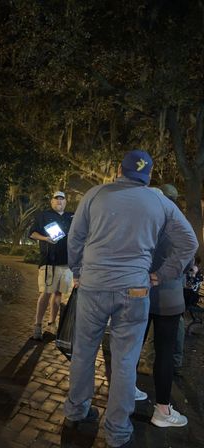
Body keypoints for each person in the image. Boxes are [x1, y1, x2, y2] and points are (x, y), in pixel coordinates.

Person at [63, 150, 198, 448]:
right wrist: (163, 274)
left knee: (84, 352)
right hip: (135, 290)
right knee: (125, 361)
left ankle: (75, 411)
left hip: (94, 285)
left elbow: (74, 238)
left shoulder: (95, 194)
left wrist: (77, 271)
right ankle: (118, 432)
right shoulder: (159, 201)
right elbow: (189, 241)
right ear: (148, 176)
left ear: (119, 170)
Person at [138, 184, 189, 427]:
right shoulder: (176, 224)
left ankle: (127, 393)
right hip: (168, 297)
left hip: (141, 292)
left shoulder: (143, 222)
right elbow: (188, 253)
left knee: (131, 348)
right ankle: (162, 410)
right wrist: (165, 274)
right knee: (165, 353)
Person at [29, 191, 74, 340]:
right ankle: (37, 325)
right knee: (46, 292)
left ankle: (52, 323)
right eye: (56, 199)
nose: (59, 202)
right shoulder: (43, 216)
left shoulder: (71, 217)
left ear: (65, 202)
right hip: (49, 261)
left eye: (62, 199)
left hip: (66, 263)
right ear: (52, 202)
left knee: (58, 294)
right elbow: (32, 234)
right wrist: (46, 239)